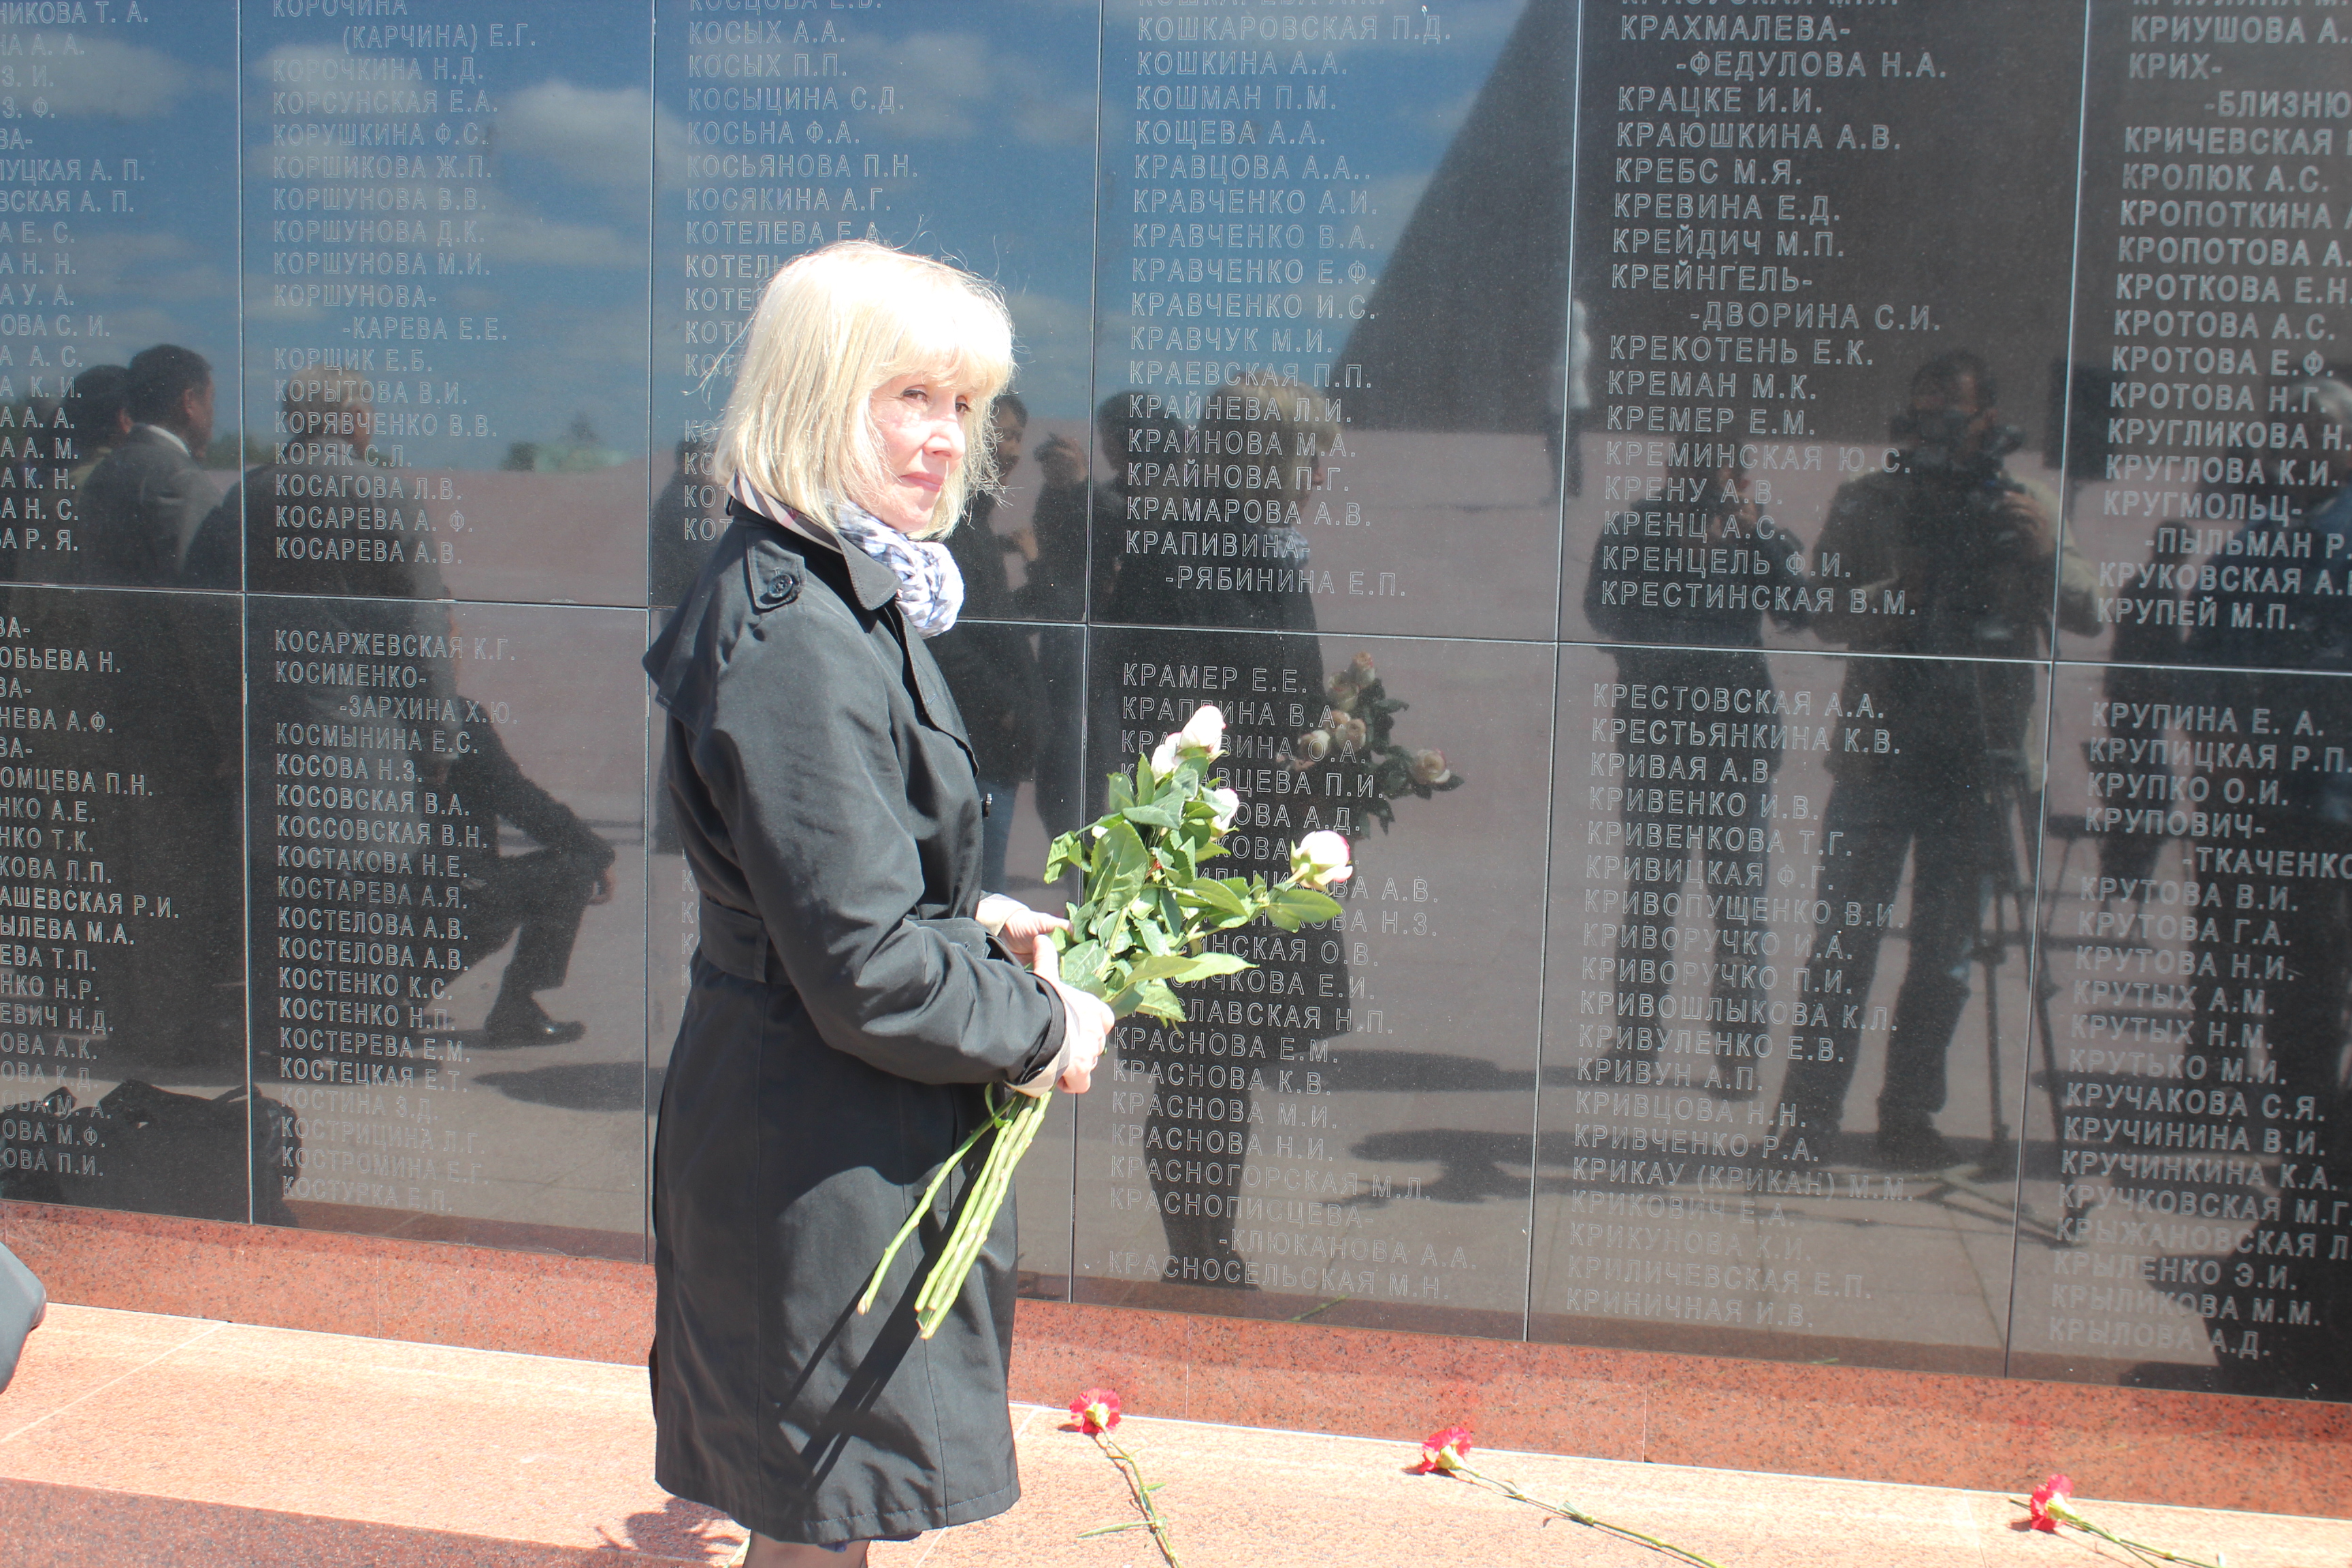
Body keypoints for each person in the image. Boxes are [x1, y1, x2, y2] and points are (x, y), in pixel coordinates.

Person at [640, 240, 1114, 1565]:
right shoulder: (798, 627)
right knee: (818, 1531)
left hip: (825, 1126)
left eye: (963, 403)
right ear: (815, 392)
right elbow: (863, 966)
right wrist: (1045, 1027)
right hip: (818, 1148)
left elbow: (839, 876)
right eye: (909, 395)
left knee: (823, 1521)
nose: (947, 437)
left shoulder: (845, 587)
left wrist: (978, 918)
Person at [1778, 353, 2096, 1168]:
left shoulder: (2027, 505)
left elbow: (2091, 612)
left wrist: (2044, 556)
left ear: (1989, 417)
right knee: (1843, 945)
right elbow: (1823, 612)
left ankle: (1909, 1116)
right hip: (1881, 758)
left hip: (1978, 763)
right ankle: (1806, 1116)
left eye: (1952, 410)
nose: (1935, 425)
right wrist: (1898, 594)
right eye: (1922, 408)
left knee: (1947, 958)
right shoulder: (1869, 498)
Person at [1582, 454, 1810, 1094]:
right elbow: (1602, 614)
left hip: (1739, 742)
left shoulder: (1760, 536)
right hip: (1660, 738)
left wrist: (1756, 538)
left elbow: (1799, 610)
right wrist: (1678, 567)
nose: (1704, 492)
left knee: (1739, 905)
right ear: (1670, 475)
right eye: (1693, 477)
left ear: (1742, 482)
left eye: (1719, 479)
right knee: (1651, 897)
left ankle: (1738, 1055)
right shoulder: (1633, 532)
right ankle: (1635, 1042)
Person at [928, 393, 1047, 892]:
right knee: (979, 899)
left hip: (996, 749)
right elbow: (942, 637)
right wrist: (1006, 708)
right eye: (1001, 435)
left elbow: (999, 623)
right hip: (976, 746)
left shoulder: (975, 521)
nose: (1012, 450)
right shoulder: (948, 525)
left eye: (1018, 437)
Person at [79, 344, 221, 587]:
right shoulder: (181, 479)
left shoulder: (105, 469)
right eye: (210, 401)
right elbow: (200, 589)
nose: (212, 414)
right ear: (188, 401)